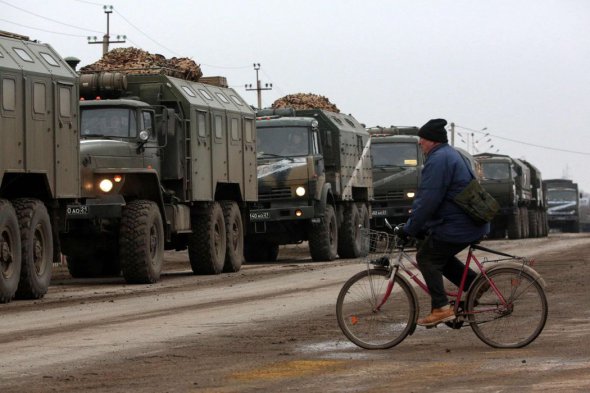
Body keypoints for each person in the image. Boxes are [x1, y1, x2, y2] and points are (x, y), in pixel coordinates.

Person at [398, 118, 490, 327]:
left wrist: (410, 229)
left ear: (432, 140)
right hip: (466, 222)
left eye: (422, 139)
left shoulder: (439, 160)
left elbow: (429, 199)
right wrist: (421, 228)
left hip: (461, 224)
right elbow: (439, 200)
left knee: (427, 257)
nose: (420, 143)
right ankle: (475, 283)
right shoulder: (449, 154)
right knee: (438, 254)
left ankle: (440, 308)